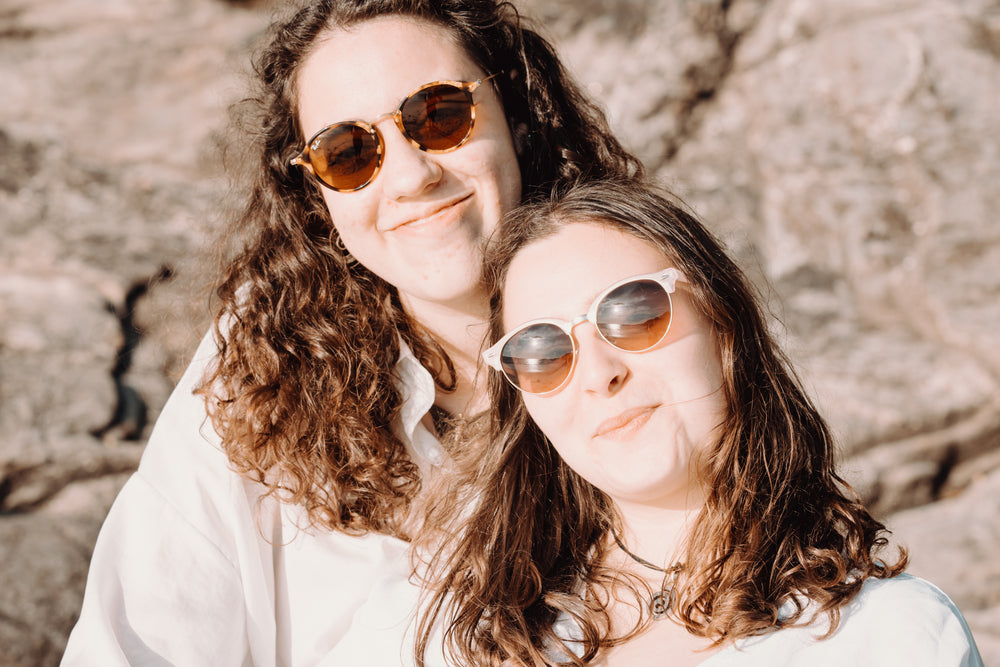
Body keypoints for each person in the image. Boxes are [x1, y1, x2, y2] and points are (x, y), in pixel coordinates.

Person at [62, 0, 641, 663]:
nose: (412, 174)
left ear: (515, 110)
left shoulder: (652, 336)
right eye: (348, 152)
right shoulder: (259, 368)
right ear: (316, 193)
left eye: (440, 114)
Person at [419, 179, 984, 666]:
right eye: (540, 350)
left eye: (633, 311)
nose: (597, 373)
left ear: (723, 322)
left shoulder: (892, 636)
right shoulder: (482, 645)